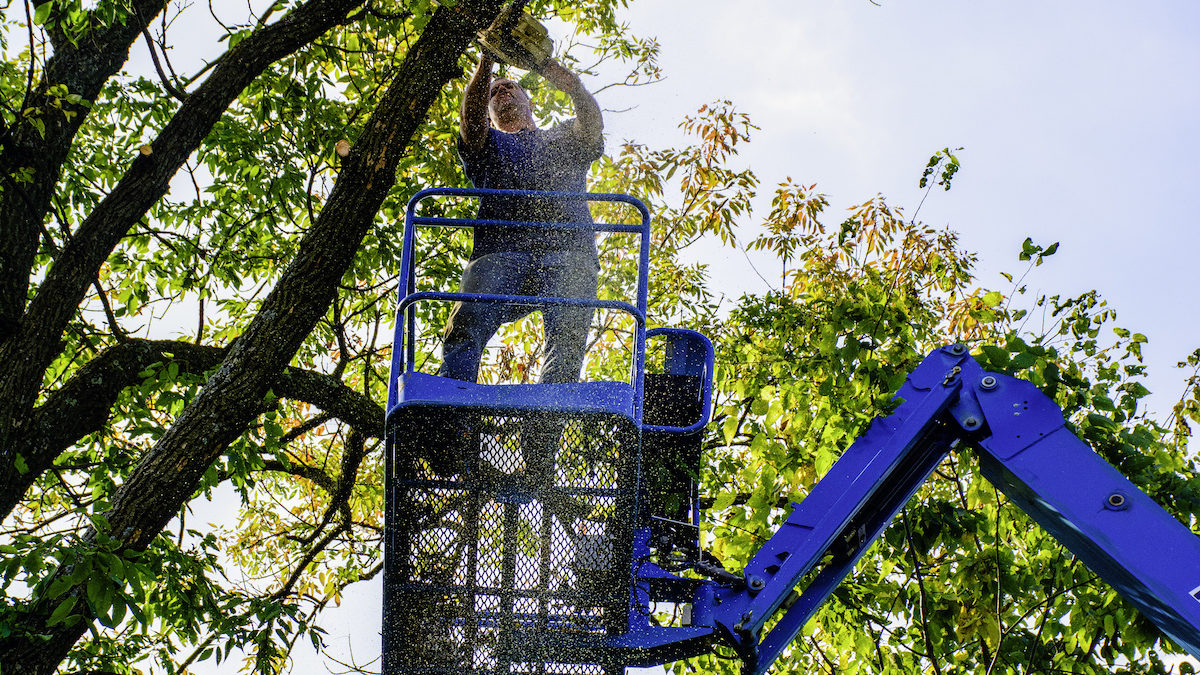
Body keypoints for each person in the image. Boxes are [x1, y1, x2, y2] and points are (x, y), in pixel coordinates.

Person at [437, 50, 604, 385]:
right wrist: (488, 60)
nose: (502, 92)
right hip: (501, 253)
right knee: (467, 323)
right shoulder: (488, 143)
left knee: (567, 345)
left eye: (510, 86)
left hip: (569, 252)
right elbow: (470, 123)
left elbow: (591, 126)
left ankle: (543, 427)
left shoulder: (562, 138)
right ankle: (452, 416)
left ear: (530, 101)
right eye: (493, 92)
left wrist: (573, 87)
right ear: (489, 109)